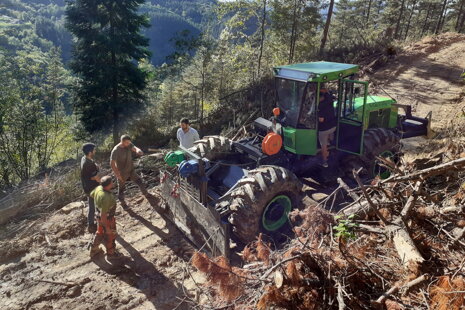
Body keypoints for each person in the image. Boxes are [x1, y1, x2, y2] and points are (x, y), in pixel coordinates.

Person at [110, 134, 151, 209]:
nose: (129, 144)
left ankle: (146, 193)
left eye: (129, 142)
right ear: (122, 142)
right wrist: (117, 175)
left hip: (131, 169)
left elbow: (134, 147)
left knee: (139, 181)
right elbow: (112, 164)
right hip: (122, 172)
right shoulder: (115, 150)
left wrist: (138, 150)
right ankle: (123, 203)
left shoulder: (128, 144)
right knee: (121, 188)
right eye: (127, 143)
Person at [89, 176, 120, 260]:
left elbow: (91, 195)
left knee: (99, 232)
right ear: (109, 184)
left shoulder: (98, 188)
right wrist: (107, 227)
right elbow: (104, 214)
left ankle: (94, 249)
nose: (113, 183)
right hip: (107, 219)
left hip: (98, 216)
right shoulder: (106, 197)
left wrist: (99, 203)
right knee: (110, 235)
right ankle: (111, 254)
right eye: (111, 182)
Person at [80, 143, 101, 233]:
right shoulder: (88, 164)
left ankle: (91, 224)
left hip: (87, 186)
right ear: (89, 152)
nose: (95, 151)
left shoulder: (84, 158)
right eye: (94, 150)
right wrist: (103, 182)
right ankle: (96, 224)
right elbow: (95, 177)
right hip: (92, 187)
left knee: (93, 206)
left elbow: (90, 170)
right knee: (95, 205)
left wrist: (96, 165)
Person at [318, 88, 337, 168]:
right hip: (333, 126)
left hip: (325, 130)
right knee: (329, 135)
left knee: (323, 145)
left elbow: (321, 120)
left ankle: (324, 161)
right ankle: (330, 142)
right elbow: (326, 91)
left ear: (320, 98)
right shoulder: (329, 100)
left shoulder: (321, 106)